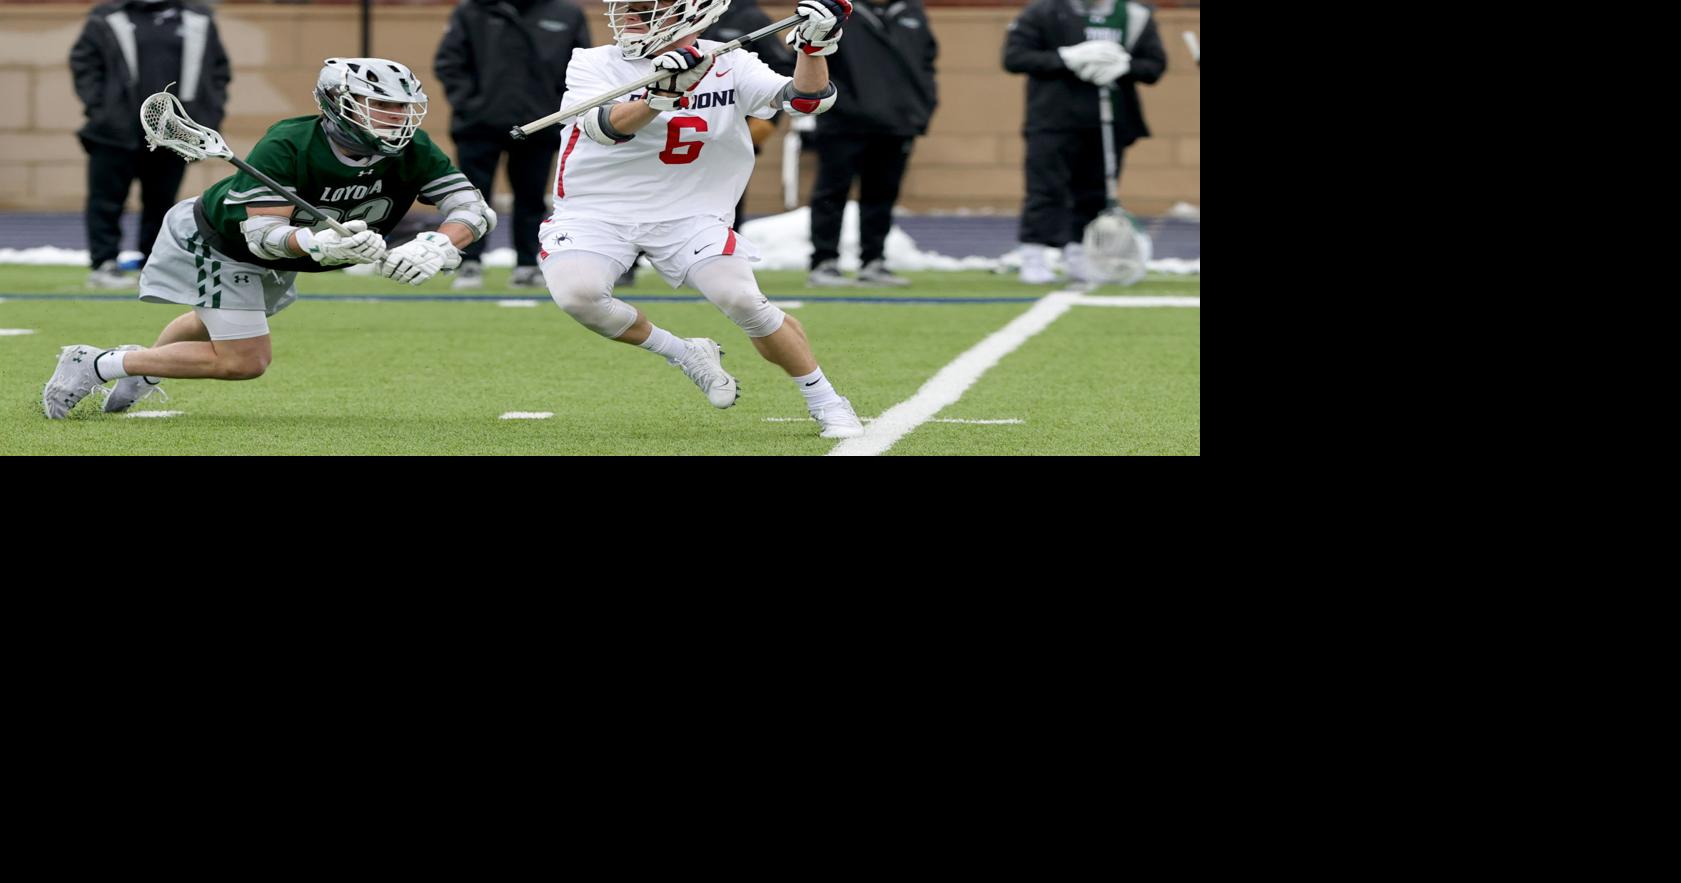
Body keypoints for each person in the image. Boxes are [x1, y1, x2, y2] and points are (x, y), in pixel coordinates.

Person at [42, 57, 497, 420]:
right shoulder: (290, 142)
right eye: (380, 105)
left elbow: (473, 209)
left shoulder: (413, 149)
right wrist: (319, 244)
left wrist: (437, 246)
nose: (396, 118)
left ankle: (144, 369)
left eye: (402, 106)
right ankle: (97, 362)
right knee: (245, 360)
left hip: (279, 252)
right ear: (338, 102)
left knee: (209, 323)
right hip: (219, 238)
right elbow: (261, 235)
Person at [536, 0, 865, 439]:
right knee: (579, 295)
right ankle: (685, 353)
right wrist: (661, 95)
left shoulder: (729, 61)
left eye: (641, 9)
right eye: (626, 8)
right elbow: (606, 127)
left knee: (743, 299)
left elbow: (806, 102)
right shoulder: (593, 62)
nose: (627, 17)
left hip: (690, 211)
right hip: (598, 208)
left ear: (691, 12)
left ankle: (826, 400)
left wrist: (815, 47)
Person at [70, 0, 230, 289]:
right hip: (114, 132)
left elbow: (218, 71)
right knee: (106, 201)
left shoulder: (198, 18)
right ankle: (104, 265)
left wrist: (206, 116)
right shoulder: (107, 17)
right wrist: (102, 108)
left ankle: (154, 267)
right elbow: (84, 62)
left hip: (173, 134)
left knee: (161, 203)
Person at [1003, 0, 1164, 284]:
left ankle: (1079, 252)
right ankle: (1034, 252)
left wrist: (1125, 65)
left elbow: (1154, 66)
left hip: (1107, 119)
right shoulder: (1042, 12)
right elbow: (1015, 58)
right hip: (1052, 120)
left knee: (1094, 192)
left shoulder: (1134, 16)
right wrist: (1065, 58)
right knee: (1045, 189)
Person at [435, 0, 592, 290]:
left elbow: (581, 70)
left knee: (532, 198)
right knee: (471, 198)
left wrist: (555, 110)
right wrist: (474, 106)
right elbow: (449, 62)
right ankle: (468, 262)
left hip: (539, 126)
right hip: (478, 127)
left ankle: (528, 264)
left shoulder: (566, 14)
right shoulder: (471, 11)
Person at [804, 0, 936, 288]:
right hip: (843, 122)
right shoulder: (835, 10)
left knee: (881, 195)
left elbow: (926, 62)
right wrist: (838, 105)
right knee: (831, 193)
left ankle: (873, 261)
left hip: (897, 123)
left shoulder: (911, 11)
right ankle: (824, 262)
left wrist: (921, 108)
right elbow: (811, 59)